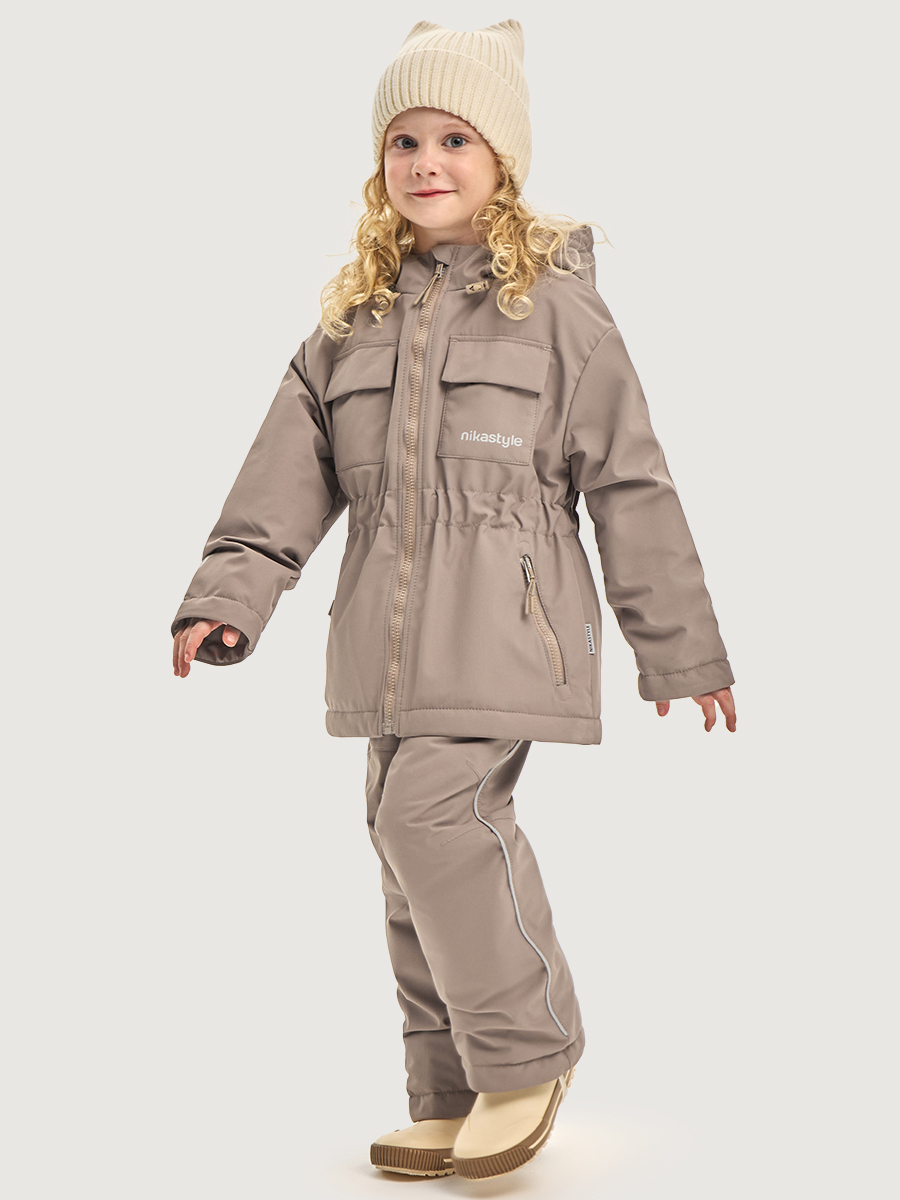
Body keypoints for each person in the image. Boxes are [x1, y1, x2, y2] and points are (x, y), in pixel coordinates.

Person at [170, 18, 736, 1182]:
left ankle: (528, 1054)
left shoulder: (558, 317)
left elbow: (632, 484)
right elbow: (284, 477)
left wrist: (681, 651)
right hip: (383, 642)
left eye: (456, 139)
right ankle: (449, 1090)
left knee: (432, 821)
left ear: (503, 159)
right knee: (400, 846)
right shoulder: (351, 324)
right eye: (404, 141)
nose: (427, 162)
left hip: (506, 631)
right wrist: (231, 594)